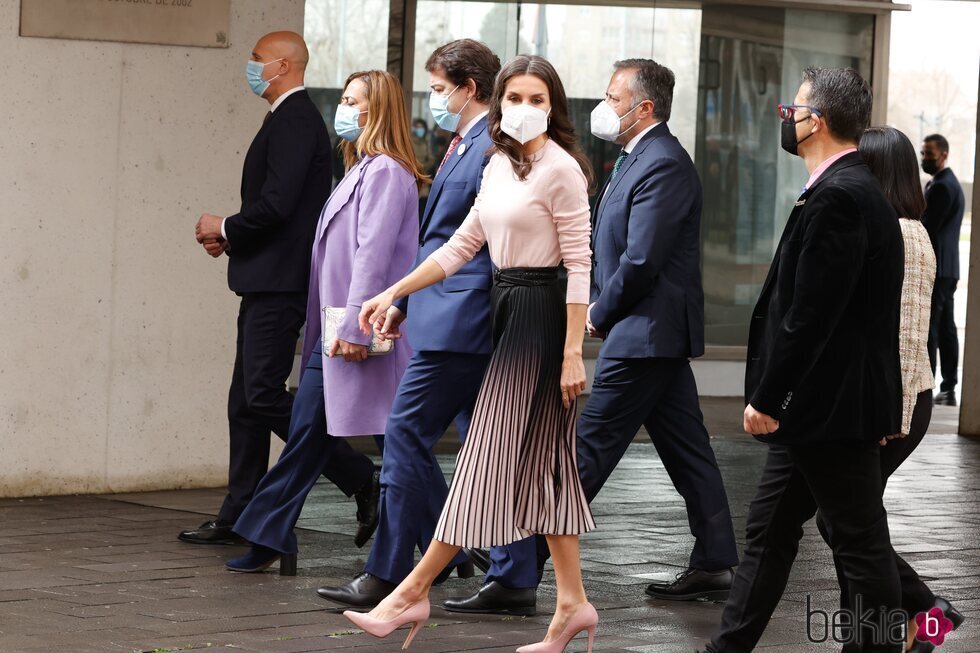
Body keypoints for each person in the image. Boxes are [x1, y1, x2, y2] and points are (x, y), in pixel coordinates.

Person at [459, 58, 740, 608]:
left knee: (583, 449)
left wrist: (595, 311)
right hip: (650, 335)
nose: (604, 108)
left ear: (645, 108)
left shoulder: (664, 164)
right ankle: (715, 559)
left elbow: (641, 259)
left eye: (613, 98)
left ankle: (517, 567)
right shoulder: (638, 157)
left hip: (643, 333)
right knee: (688, 451)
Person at [344, 55, 599, 652]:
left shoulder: (562, 169)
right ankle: (572, 604)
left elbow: (581, 267)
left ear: (554, 107)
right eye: (515, 97)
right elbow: (462, 245)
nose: (525, 109)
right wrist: (395, 290)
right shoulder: (496, 165)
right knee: (547, 471)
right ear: (500, 102)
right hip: (506, 311)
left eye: (538, 99)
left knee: (483, 461)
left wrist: (571, 353)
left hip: (541, 317)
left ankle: (410, 592)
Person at [316, 39, 541, 615]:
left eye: (440, 88)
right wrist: (404, 302)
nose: (434, 98)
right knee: (490, 447)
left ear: (469, 89)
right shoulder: (464, 144)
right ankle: (512, 575)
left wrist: (402, 297)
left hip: (462, 319)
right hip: (447, 313)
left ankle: (390, 572)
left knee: (405, 436)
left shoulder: (492, 146)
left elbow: (470, 242)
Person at [701, 67, 906, 653]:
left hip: (830, 408)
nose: (786, 119)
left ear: (817, 121)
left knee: (859, 542)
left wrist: (769, 395)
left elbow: (811, 315)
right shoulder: (840, 188)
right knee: (769, 532)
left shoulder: (841, 196)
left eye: (793, 109)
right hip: (820, 409)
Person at [223, 69, 425, 573]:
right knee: (315, 432)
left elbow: (373, 255)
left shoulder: (384, 172)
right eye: (346, 98)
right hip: (341, 328)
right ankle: (270, 535)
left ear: (377, 111)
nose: (345, 108)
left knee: (390, 441)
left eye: (355, 101)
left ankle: (456, 542)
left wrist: (355, 326)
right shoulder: (362, 168)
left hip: (359, 330)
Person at [185, 31, 374, 546]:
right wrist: (234, 240)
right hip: (265, 277)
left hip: (279, 285)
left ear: (283, 65)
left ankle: (362, 479)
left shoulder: (294, 119)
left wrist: (225, 227)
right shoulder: (285, 119)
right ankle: (238, 512)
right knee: (245, 399)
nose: (250, 68)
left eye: (256, 60)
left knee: (264, 395)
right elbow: (277, 214)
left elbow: (278, 205)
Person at [813, 126, 965, 653]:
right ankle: (896, 627)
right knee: (848, 525)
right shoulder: (909, 228)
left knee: (848, 526)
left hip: (896, 402)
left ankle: (921, 616)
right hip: (900, 399)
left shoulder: (898, 234)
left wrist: (889, 419)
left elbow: (903, 337)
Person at [920, 134, 965, 407]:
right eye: (923, 153)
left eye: (929, 154)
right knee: (946, 328)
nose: (925, 158)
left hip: (939, 269)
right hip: (949, 268)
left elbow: (928, 228)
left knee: (932, 329)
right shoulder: (947, 184)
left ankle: (928, 387)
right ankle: (948, 388)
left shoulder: (941, 188)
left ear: (944, 155)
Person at [410, 118, 436, 218]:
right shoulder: (410, 142)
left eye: (422, 128)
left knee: (422, 208)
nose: (420, 130)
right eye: (418, 128)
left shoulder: (425, 142)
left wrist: (425, 166)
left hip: (424, 177)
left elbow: (431, 158)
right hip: (413, 176)